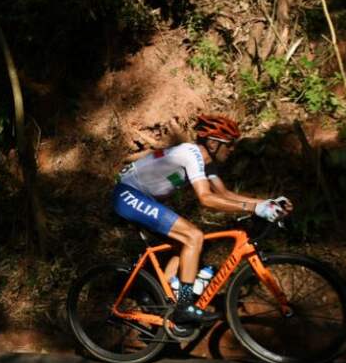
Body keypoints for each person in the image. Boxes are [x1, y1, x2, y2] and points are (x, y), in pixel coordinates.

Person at [113, 114, 293, 326]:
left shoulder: (206, 163)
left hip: (144, 197)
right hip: (127, 194)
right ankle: (184, 307)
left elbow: (224, 194)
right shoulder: (190, 154)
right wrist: (255, 208)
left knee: (185, 242)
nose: (233, 149)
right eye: (230, 144)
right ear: (213, 143)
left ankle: (160, 299)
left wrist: (266, 202)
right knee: (193, 236)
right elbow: (206, 199)